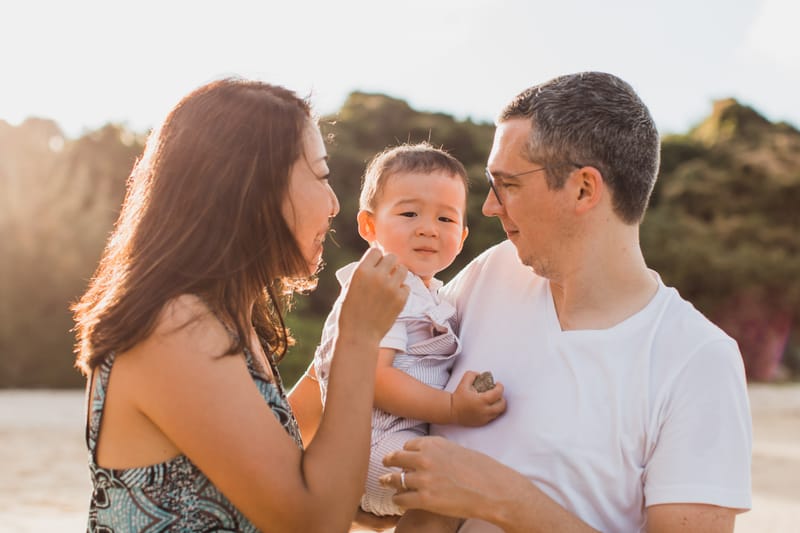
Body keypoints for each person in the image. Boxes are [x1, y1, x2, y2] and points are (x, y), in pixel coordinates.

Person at [380, 72, 752, 532]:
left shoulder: (697, 360)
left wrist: (506, 500)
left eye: (508, 185)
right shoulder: (490, 274)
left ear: (583, 189)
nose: (490, 208)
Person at [71, 78, 410, 532]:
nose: (333, 205)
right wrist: (360, 337)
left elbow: (291, 473)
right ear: (252, 185)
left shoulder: (222, 320)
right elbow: (312, 523)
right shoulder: (174, 325)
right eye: (322, 175)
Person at [290, 143, 506, 526]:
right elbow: (372, 377)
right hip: (371, 446)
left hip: (393, 443)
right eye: (409, 213)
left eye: (446, 219)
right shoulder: (385, 287)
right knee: (453, 485)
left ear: (463, 233)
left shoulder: (431, 294)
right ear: (369, 226)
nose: (428, 228)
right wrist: (452, 408)